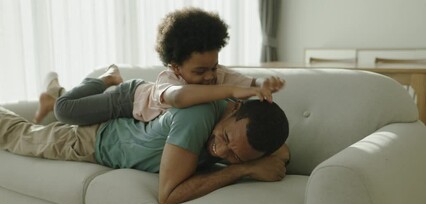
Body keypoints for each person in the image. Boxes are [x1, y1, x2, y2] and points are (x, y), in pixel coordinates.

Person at [1, 97, 290, 204]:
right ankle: (54, 100)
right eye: (226, 136)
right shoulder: (198, 116)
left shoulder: (243, 132)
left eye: (235, 155)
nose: (220, 150)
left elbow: (284, 151)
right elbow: (168, 196)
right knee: (17, 136)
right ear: (234, 107)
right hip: (94, 140)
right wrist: (241, 168)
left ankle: (54, 98)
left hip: (118, 129)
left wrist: (260, 159)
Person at [33, 7, 285, 125]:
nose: (210, 76)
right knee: (64, 110)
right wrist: (230, 91)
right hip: (128, 98)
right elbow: (181, 98)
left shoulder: (217, 73)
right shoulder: (169, 81)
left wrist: (264, 84)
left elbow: (249, 83)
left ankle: (55, 96)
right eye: (200, 71)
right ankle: (105, 78)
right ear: (176, 67)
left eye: (213, 67)